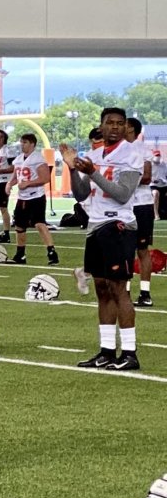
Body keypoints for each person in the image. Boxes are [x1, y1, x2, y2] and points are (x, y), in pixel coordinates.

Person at [61, 109, 143, 371]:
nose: (115, 128)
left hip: (118, 225)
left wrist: (94, 171)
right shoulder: (95, 154)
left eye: (120, 123)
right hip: (96, 225)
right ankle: (107, 350)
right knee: (102, 289)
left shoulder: (132, 153)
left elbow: (122, 193)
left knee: (119, 289)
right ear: (102, 126)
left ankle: (129, 353)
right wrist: (72, 168)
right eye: (110, 123)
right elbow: (81, 194)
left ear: (126, 127)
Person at [4, 133, 59, 266]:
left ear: (32, 144)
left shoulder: (38, 158)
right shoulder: (19, 159)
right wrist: (9, 184)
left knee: (39, 224)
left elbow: (45, 178)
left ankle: (52, 252)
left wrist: (28, 183)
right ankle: (20, 255)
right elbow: (16, 175)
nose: (22, 145)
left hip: (36, 196)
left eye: (25, 142)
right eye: (22, 142)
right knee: (19, 226)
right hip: (22, 197)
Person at [125, 118, 155, 306]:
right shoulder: (119, 149)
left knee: (142, 250)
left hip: (141, 204)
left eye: (123, 125)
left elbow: (147, 177)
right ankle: (124, 292)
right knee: (124, 250)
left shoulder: (142, 149)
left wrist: (125, 182)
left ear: (131, 129)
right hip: (124, 205)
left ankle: (145, 293)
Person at [151, 146, 167, 220]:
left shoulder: (164, 164)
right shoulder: (150, 165)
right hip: (153, 185)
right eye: (156, 155)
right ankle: (156, 215)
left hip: (164, 185)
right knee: (155, 193)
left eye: (158, 155)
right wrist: (152, 180)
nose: (157, 157)